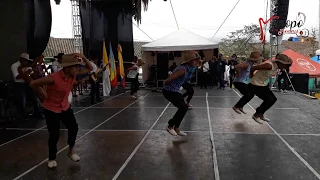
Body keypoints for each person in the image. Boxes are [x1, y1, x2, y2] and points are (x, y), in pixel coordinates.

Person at [29, 53, 93, 168]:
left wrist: (83, 57)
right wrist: (42, 94)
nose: (78, 69)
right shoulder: (53, 78)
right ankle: (52, 158)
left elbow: (90, 68)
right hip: (51, 108)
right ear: (67, 67)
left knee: (73, 127)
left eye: (78, 66)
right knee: (54, 134)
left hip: (64, 106)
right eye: (75, 66)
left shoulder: (73, 75)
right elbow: (33, 83)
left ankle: (71, 151)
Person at [244, 53, 292, 124]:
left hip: (262, 84)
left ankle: (260, 113)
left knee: (273, 99)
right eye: (285, 65)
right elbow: (253, 67)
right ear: (280, 63)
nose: (285, 67)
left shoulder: (276, 67)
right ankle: (256, 115)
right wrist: (251, 74)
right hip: (255, 84)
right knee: (269, 99)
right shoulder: (269, 65)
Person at [162, 51, 201, 136]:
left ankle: (176, 128)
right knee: (183, 108)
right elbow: (170, 79)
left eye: (196, 60)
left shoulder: (187, 68)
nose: (196, 62)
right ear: (189, 61)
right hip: (169, 91)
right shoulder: (182, 69)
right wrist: (167, 83)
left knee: (184, 108)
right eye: (194, 60)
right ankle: (170, 126)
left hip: (175, 90)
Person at [11, 53, 41, 120]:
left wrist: (35, 72)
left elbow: (32, 75)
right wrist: (26, 73)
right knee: (22, 100)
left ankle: (37, 113)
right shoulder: (14, 66)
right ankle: (22, 115)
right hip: (19, 84)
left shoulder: (27, 65)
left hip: (27, 83)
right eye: (25, 60)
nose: (26, 62)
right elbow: (17, 77)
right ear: (21, 59)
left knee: (34, 98)